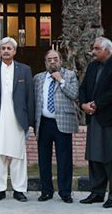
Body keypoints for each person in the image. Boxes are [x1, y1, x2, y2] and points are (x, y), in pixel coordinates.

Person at [0, 37, 34, 202]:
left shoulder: (24, 70)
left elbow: (30, 97)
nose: (6, 51)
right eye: (3, 48)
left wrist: (30, 121)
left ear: (14, 51)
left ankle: (19, 189)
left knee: (18, 155)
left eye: (9, 48)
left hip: (17, 118)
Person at [79, 37, 112, 208]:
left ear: (107, 50)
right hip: (94, 119)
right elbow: (83, 88)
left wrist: (96, 104)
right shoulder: (92, 66)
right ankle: (97, 193)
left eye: (97, 48)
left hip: (110, 120)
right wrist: (83, 104)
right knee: (95, 156)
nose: (93, 51)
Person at [33, 49, 79, 203]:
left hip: (63, 122)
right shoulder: (38, 78)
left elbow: (75, 95)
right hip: (44, 123)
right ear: (45, 62)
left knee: (64, 159)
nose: (52, 62)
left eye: (55, 59)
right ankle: (46, 191)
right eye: (49, 60)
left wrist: (61, 80)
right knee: (43, 159)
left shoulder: (70, 75)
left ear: (61, 60)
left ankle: (65, 192)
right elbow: (34, 100)